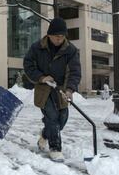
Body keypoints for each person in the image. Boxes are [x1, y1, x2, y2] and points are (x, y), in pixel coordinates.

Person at [23, 18, 81, 162]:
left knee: (62, 118)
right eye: (56, 36)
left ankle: (45, 134)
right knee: (52, 117)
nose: (59, 39)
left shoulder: (71, 50)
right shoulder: (37, 47)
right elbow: (28, 65)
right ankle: (55, 148)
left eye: (62, 36)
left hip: (61, 90)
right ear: (49, 35)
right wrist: (42, 78)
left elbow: (75, 71)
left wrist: (69, 90)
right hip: (44, 89)